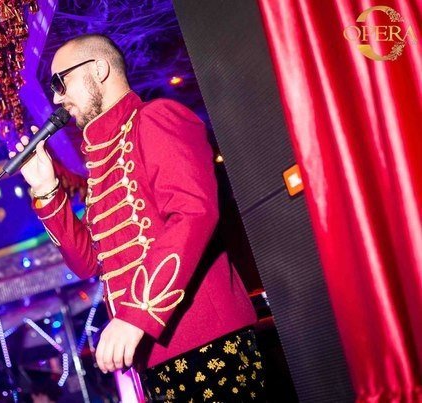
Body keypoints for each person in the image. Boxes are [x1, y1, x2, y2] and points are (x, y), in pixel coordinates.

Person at [16, 34, 264, 401]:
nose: (56, 98)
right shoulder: (99, 164)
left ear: (98, 69)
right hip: (151, 354)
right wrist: (46, 189)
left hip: (206, 337)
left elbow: (194, 213)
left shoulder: (155, 118)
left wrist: (136, 314)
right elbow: (87, 263)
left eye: (60, 82)